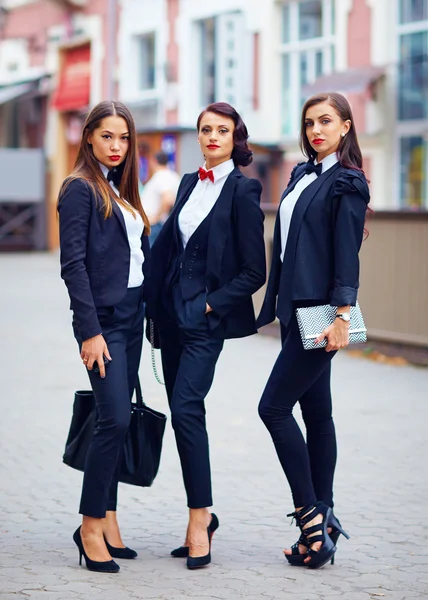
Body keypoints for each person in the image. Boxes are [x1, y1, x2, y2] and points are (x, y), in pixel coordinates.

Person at [146, 102, 266, 569]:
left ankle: (201, 518)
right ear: (197, 137)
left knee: (187, 409)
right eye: (205, 130)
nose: (213, 136)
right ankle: (201, 514)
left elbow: (253, 271)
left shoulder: (243, 190)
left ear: (236, 137)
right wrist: (153, 305)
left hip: (204, 322)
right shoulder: (187, 183)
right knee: (181, 416)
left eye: (222, 130)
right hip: (172, 317)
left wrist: (211, 304)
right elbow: (171, 249)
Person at [257, 92, 370, 569]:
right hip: (291, 308)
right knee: (317, 412)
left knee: (273, 408)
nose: (316, 130)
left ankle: (310, 521)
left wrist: (344, 315)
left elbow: (347, 252)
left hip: (323, 311)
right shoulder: (303, 174)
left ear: (345, 126)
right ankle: (322, 526)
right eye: (309, 123)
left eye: (326, 121)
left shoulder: (348, 181)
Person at [58, 100, 151, 573]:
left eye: (124, 137)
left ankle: (110, 519)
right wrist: (89, 331)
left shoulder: (119, 189)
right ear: (89, 136)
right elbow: (72, 266)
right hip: (106, 322)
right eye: (107, 136)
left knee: (117, 415)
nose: (116, 146)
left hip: (133, 319)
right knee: (112, 419)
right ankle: (89, 526)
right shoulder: (79, 189)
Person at [141, 150, 180, 246]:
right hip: (162, 224)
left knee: (150, 256)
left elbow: (168, 199)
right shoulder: (173, 175)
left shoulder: (162, 176)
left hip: (155, 225)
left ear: (153, 161)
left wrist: (156, 218)